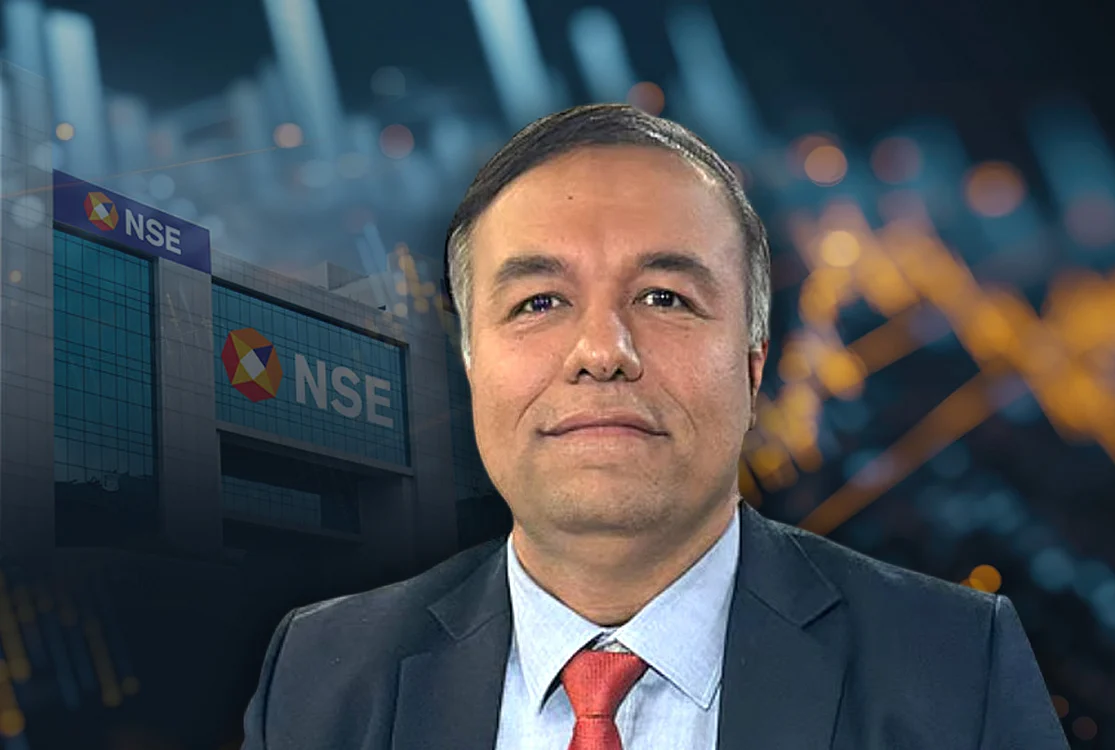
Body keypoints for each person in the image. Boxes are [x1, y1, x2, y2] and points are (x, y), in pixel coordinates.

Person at [241, 103, 1069, 750]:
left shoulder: (955, 668)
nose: (602, 352)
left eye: (665, 297)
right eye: (539, 302)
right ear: (469, 362)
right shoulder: (320, 678)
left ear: (753, 364)